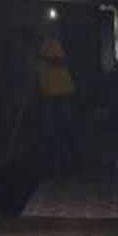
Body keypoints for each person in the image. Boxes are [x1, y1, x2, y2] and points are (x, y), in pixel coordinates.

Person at [34, 25, 79, 172]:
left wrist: (43, 58)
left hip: (62, 92)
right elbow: (38, 75)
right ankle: (58, 161)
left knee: (66, 127)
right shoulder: (38, 51)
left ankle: (72, 160)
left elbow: (61, 62)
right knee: (49, 130)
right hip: (49, 95)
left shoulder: (52, 43)